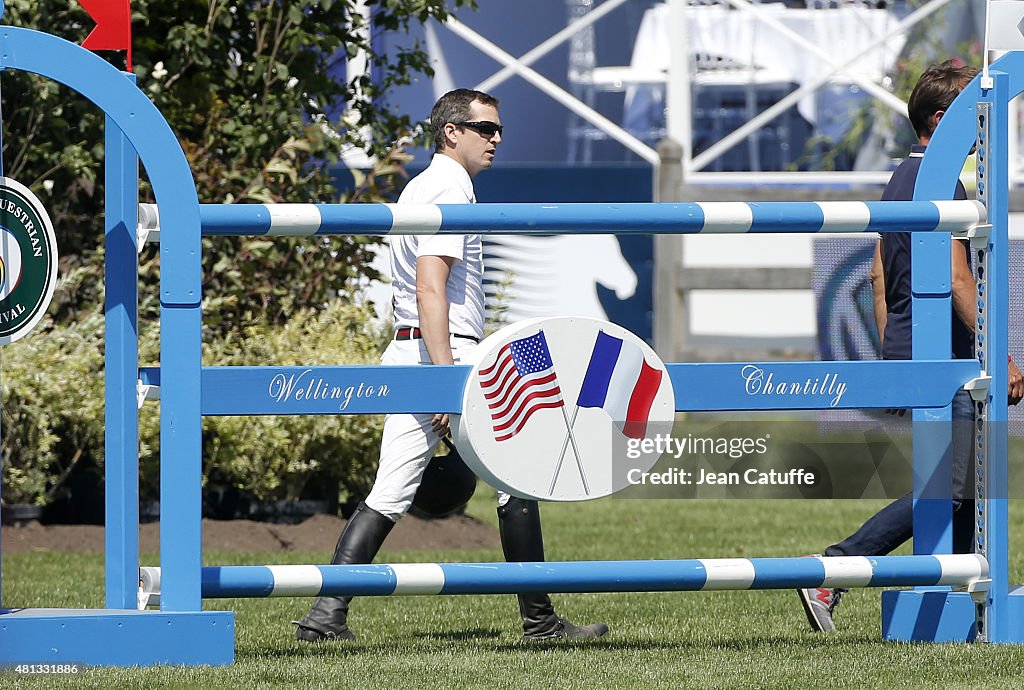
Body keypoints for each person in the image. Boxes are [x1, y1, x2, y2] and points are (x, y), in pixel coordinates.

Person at [293, 88, 609, 643]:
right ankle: (540, 622)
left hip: (412, 347)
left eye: (498, 129)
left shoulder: (425, 185)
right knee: (516, 484)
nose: (497, 139)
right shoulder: (447, 189)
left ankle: (325, 617)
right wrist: (447, 380)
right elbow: (430, 288)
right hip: (449, 351)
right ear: (451, 132)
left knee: (390, 491)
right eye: (485, 128)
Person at [797, 60, 1024, 633]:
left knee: (972, 484)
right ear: (944, 121)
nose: (985, 130)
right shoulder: (943, 182)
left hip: (912, 347)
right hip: (945, 357)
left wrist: (893, 344)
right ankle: (835, 566)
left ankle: (970, 603)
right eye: (979, 117)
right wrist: (998, 353)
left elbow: (877, 273)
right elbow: (955, 278)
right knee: (950, 488)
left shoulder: (900, 176)